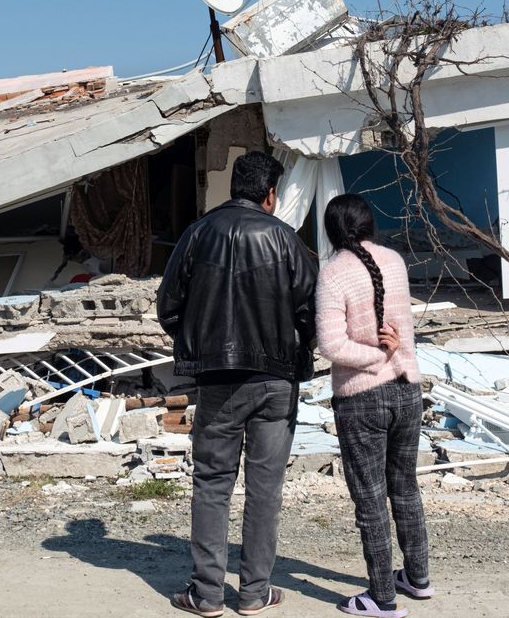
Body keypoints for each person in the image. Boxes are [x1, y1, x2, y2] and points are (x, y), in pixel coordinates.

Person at [157, 151, 318, 617]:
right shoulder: (285, 239)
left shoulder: (196, 234)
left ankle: (206, 595)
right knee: (265, 488)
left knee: (212, 483)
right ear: (270, 195)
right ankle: (253, 593)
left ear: (235, 189)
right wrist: (298, 352)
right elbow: (312, 312)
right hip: (275, 380)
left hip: (219, 381)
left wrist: (202, 343)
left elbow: (168, 307)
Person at [314, 194, 432, 618]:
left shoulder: (332, 273)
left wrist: (373, 357)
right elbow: (403, 330)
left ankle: (381, 598)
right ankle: (417, 577)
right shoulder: (396, 262)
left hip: (363, 396)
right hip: (407, 388)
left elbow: (331, 345)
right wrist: (391, 356)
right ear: (368, 224)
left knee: (370, 499)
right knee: (405, 488)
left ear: (332, 230)